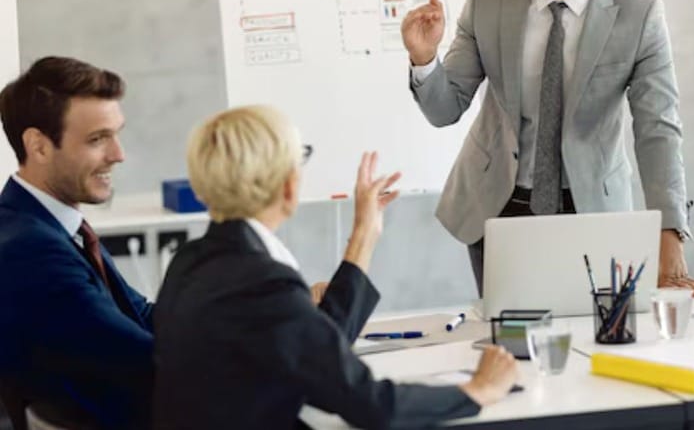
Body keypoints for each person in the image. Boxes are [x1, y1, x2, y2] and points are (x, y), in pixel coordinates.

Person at [401, 0, 694, 295]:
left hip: (592, 213)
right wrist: (424, 57)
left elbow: (658, 130)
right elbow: (445, 109)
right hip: (497, 210)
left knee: (599, 343)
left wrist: (670, 234)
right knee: (512, 345)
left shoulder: (639, 15)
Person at [153, 105, 517, 429]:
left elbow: (321, 360)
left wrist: (364, 234)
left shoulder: (191, 262)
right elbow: (368, 404)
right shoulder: (263, 282)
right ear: (287, 184)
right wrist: (475, 390)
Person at [0, 57, 154, 429]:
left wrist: (261, 314)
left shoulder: (52, 226)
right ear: (37, 146)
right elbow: (142, 361)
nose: (118, 154)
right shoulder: (30, 248)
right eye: (98, 139)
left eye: (116, 134)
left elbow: (141, 316)